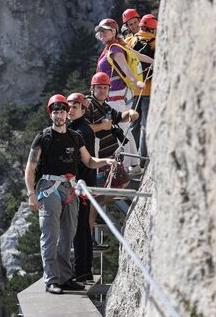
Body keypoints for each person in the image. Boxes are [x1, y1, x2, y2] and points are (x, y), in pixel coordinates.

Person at [24, 94, 116, 295]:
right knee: (50, 235)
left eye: (62, 111)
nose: (59, 115)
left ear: (67, 114)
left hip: (70, 189)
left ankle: (65, 278)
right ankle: (51, 280)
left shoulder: (76, 137)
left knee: (67, 236)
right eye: (55, 112)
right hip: (49, 188)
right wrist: (31, 194)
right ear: (51, 115)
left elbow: (89, 161)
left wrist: (105, 162)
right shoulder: (43, 137)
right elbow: (30, 169)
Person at [85, 72, 139, 246]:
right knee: (95, 198)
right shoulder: (88, 106)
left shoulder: (105, 107)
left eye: (105, 88)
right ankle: (89, 236)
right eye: (99, 87)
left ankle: (95, 222)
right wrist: (101, 126)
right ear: (92, 89)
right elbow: (81, 129)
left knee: (110, 191)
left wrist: (129, 113)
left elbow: (118, 117)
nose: (102, 91)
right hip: (97, 160)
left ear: (109, 90)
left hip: (109, 159)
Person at [94, 18, 152, 174]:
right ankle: (135, 165)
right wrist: (155, 61)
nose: (101, 33)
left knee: (119, 129)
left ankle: (127, 166)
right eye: (99, 31)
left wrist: (135, 81)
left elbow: (125, 68)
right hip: (123, 94)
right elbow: (138, 56)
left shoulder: (114, 49)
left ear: (113, 31)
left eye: (104, 30)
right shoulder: (118, 46)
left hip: (116, 95)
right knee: (124, 128)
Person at [67, 92, 95, 282]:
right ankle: (85, 270)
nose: (70, 109)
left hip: (80, 185)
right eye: (69, 106)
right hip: (86, 183)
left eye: (75, 106)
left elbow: (79, 161)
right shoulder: (82, 128)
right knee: (83, 227)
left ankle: (80, 270)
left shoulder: (79, 131)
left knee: (78, 228)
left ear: (83, 110)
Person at [127, 14, 158, 168]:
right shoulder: (155, 41)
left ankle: (131, 161)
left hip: (133, 90)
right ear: (152, 28)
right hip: (149, 89)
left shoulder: (129, 41)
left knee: (133, 126)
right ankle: (142, 161)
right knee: (145, 126)